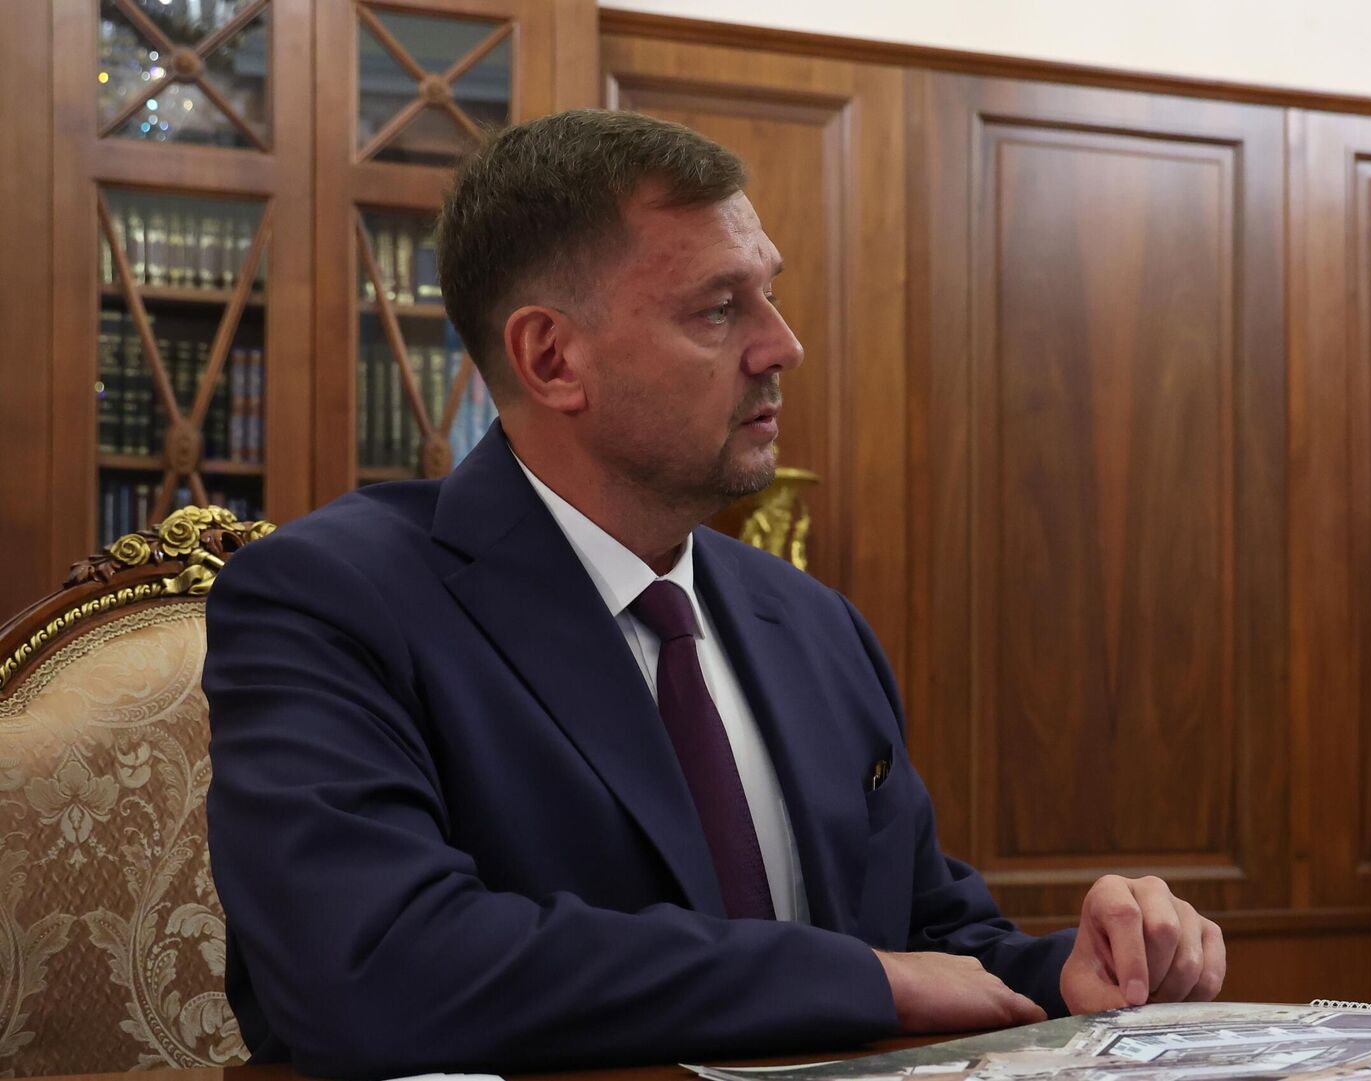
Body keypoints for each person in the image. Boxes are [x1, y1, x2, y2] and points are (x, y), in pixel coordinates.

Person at [202, 109, 1225, 1078]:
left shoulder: (813, 623)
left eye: (769, 294)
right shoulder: (331, 598)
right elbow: (372, 965)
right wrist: (855, 980)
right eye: (720, 308)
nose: (783, 345)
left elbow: (932, 944)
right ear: (551, 357)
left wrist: (1076, 968)